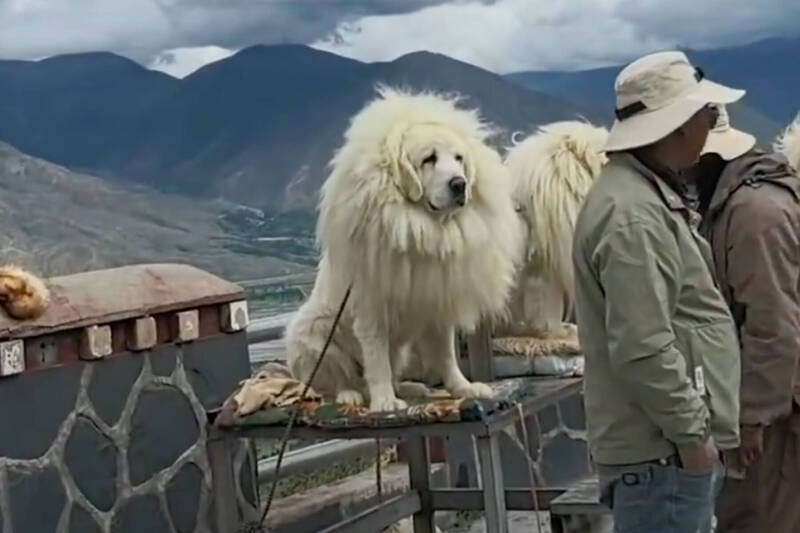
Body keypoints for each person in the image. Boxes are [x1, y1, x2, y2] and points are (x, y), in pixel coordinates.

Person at [572, 50, 743, 533]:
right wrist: (693, 438)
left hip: (661, 453)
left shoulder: (642, 199)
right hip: (661, 456)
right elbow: (643, 345)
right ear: (680, 125)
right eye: (704, 113)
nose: (711, 123)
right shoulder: (633, 217)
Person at [689, 104, 800, 533]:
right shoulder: (735, 202)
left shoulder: (755, 213)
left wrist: (751, 417)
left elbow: (773, 326)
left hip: (778, 413)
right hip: (771, 403)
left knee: (761, 520)